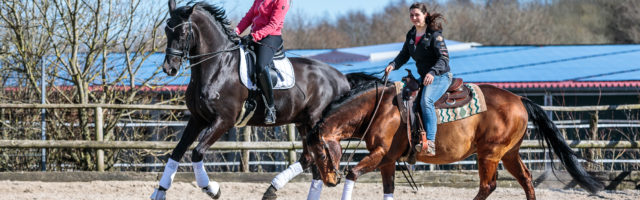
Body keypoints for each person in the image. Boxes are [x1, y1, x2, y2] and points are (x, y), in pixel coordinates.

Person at [385, 2, 452, 156]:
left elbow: (444, 58)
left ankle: (430, 143)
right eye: (411, 15)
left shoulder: (435, 35)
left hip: (440, 76)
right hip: (424, 77)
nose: (414, 18)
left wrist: (432, 72)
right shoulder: (411, 35)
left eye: (417, 15)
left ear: (425, 15)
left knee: (426, 101)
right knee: (407, 101)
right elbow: (404, 54)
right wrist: (393, 64)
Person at [235, 0, 290, 124]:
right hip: (255, 35)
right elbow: (249, 17)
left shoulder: (281, 1)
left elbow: (273, 25)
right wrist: (236, 32)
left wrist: (254, 37)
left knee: (260, 66)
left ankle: (271, 108)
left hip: (271, 37)